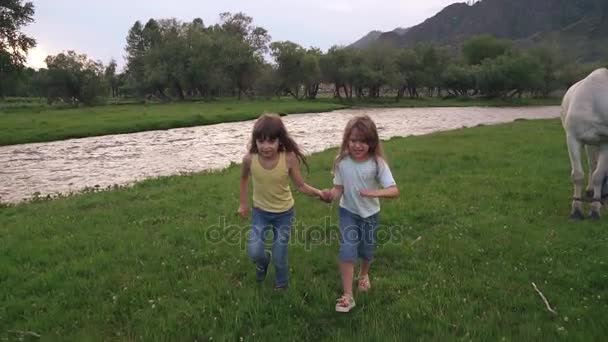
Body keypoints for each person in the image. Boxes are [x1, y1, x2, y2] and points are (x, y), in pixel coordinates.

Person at [321, 115, 399, 312]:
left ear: (372, 142)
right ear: (347, 139)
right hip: (348, 212)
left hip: (370, 214)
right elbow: (338, 188)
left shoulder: (377, 163)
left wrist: (373, 192)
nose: (357, 145)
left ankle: (364, 275)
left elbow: (393, 190)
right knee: (347, 249)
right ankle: (348, 295)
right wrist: (331, 195)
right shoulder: (341, 162)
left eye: (363, 141)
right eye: (354, 140)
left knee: (367, 250)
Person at [238, 113, 324, 290]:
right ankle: (263, 263)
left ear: (280, 141)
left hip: (284, 214)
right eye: (261, 141)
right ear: (255, 141)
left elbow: (300, 185)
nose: (265, 146)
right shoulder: (249, 160)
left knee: (280, 254)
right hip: (260, 213)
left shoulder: (288, 158)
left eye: (271, 141)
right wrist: (243, 203)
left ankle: (282, 284)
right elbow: (244, 179)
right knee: (255, 252)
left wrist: (319, 193)